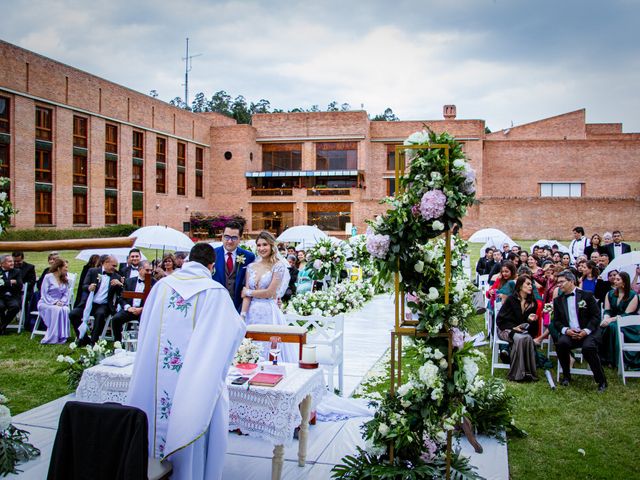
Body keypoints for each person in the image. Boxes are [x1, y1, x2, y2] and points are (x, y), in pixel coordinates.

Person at [126, 243, 245, 480]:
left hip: (156, 381)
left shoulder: (161, 287)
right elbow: (232, 332)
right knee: (196, 411)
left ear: (188, 261)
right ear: (212, 266)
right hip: (196, 379)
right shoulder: (215, 293)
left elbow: (146, 328)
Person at [240, 231, 297, 363]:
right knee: (250, 345)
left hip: (269, 312)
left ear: (272, 246)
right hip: (251, 313)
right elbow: (246, 296)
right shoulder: (251, 267)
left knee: (269, 346)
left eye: (264, 244)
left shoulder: (278, 266)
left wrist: (248, 292)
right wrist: (242, 315)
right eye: (258, 245)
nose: (261, 248)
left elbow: (270, 292)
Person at [553, 270, 607, 392]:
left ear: (571, 281)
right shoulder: (558, 300)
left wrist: (586, 331)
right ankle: (566, 376)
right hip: (571, 333)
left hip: (589, 332)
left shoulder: (587, 295)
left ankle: (601, 381)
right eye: (558, 283)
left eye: (562, 282)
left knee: (588, 348)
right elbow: (556, 321)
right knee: (561, 344)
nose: (559, 285)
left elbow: (596, 316)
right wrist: (566, 330)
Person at [69, 255, 123, 345]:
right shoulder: (93, 271)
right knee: (73, 314)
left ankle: (93, 341)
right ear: (105, 263)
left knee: (100, 314)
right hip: (88, 302)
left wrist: (120, 284)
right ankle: (83, 338)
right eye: (113, 265)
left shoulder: (116, 276)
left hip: (103, 304)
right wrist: (89, 287)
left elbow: (121, 293)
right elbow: (84, 286)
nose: (115, 268)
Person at [496, 275, 540, 381]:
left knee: (528, 338)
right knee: (520, 339)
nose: (531, 287)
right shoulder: (511, 299)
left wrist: (530, 320)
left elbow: (532, 330)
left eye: (531, 284)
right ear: (520, 286)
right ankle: (517, 374)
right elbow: (500, 320)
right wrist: (513, 327)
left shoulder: (532, 303)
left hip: (522, 331)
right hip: (505, 329)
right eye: (528, 284)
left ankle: (528, 373)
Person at [212, 220, 255, 312]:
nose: (230, 241)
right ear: (222, 236)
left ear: (240, 238)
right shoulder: (212, 254)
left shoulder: (249, 257)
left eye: (234, 238)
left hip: (239, 306)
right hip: (215, 305)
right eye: (227, 237)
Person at [599, 271, 639, 369]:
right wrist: (605, 319)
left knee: (613, 327)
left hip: (628, 324)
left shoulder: (633, 295)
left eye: (618, 279)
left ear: (624, 282)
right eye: (614, 279)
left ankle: (614, 360)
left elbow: (627, 314)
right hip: (612, 320)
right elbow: (607, 310)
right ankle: (603, 357)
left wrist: (610, 320)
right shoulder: (610, 294)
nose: (615, 281)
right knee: (603, 326)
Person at [111, 261, 156, 342]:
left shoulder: (154, 283)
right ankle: (117, 344)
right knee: (116, 319)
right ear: (140, 269)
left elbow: (155, 301)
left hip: (144, 310)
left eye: (151, 270)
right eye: (147, 270)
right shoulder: (129, 281)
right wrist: (128, 308)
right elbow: (121, 298)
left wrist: (142, 309)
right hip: (130, 309)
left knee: (148, 322)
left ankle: (143, 343)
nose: (149, 272)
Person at [37, 258, 71, 344]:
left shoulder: (65, 279)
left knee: (65, 309)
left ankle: (62, 335)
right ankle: (53, 336)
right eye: (65, 267)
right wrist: (54, 302)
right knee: (57, 309)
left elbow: (66, 293)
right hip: (46, 302)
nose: (67, 269)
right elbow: (44, 293)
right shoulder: (48, 277)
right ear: (59, 268)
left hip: (60, 302)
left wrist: (62, 302)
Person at [0, 254, 24, 334]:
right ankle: (2, 328)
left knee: (15, 306)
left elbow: (20, 285)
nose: (12, 263)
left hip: (12, 295)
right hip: (0, 296)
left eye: (12, 261)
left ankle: (2, 327)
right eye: (9, 261)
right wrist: (10, 282)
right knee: (0, 306)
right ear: (2, 263)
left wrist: (4, 283)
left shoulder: (17, 271)